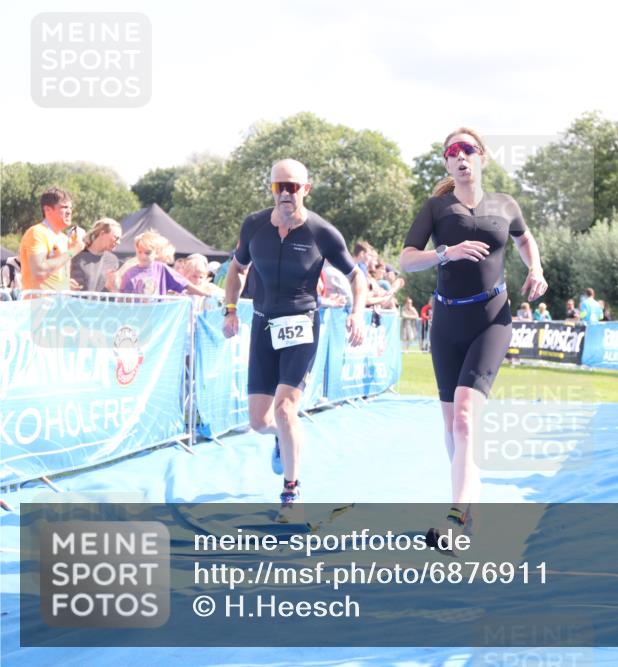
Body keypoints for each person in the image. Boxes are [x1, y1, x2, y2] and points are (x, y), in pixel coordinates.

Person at [399, 127, 547, 540]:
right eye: (453, 152)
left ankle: (455, 518)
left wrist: (535, 269)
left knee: (465, 417)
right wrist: (446, 252)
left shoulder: (505, 204)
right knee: (452, 425)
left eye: (469, 150)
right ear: (446, 163)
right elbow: (406, 260)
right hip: (446, 323)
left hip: (491, 320)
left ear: (482, 156)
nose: (461, 157)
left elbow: (525, 238)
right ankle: (468, 506)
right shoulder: (436, 208)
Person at [222, 158, 367, 521]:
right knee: (259, 421)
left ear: (306, 189)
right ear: (271, 188)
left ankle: (291, 490)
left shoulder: (321, 231)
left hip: (301, 326)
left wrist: (357, 312)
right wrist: (230, 309)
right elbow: (236, 270)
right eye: (278, 187)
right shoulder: (254, 225)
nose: (285, 193)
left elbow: (357, 277)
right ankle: (282, 438)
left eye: (293, 187)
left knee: (287, 408)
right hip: (262, 324)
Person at [19, 187, 85, 292]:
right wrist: (74, 250)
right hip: (37, 305)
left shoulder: (64, 238)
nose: (69, 212)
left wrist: (66, 284)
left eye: (70, 208)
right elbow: (39, 272)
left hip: (60, 305)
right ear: (47, 210)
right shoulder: (37, 232)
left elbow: (54, 274)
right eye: (64, 207)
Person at [120, 231, 211, 297]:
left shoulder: (161, 269)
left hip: (158, 318)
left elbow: (184, 283)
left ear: (156, 252)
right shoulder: (129, 274)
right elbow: (123, 299)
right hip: (138, 318)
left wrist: (203, 294)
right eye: (139, 252)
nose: (143, 256)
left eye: (147, 253)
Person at [70, 218, 122, 293]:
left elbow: (114, 293)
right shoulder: (77, 255)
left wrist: (113, 288)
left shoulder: (113, 261)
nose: (118, 242)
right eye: (116, 238)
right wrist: (66, 284)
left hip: (102, 304)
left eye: (120, 239)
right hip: (75, 303)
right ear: (102, 234)